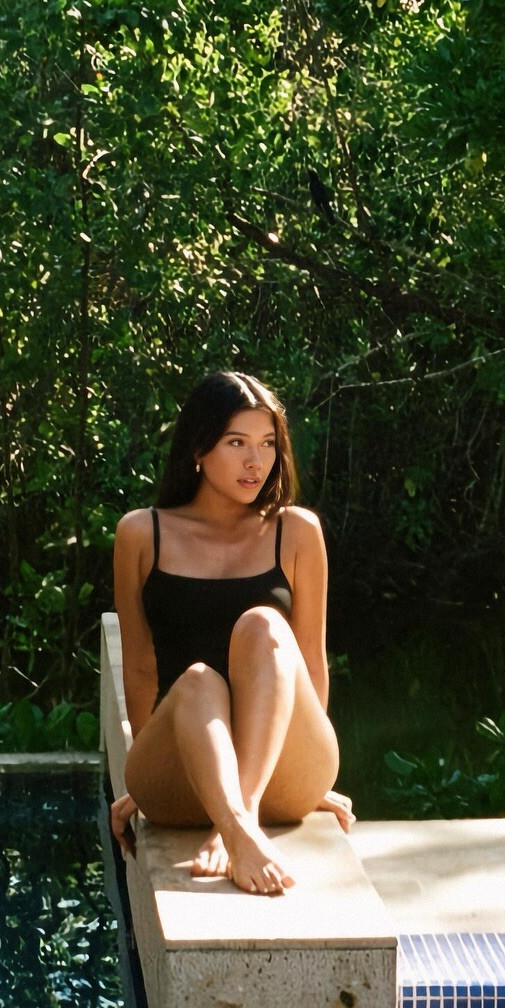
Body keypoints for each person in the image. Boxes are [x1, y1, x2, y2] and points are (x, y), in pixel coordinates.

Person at [109, 370, 354, 895]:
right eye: (236, 442)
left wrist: (306, 769)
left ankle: (236, 822)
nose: (255, 462)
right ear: (199, 448)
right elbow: (142, 667)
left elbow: (311, 665)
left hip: (277, 773)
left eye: (268, 444)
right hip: (187, 765)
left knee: (264, 625)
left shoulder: (297, 531)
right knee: (198, 681)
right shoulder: (142, 533)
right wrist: (156, 764)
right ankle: (238, 821)